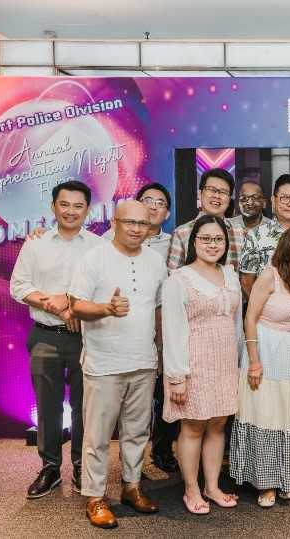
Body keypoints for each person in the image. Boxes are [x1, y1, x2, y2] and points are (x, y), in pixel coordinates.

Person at [67, 201, 167, 528]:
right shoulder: (94, 258)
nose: (137, 229)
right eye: (129, 222)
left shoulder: (155, 261)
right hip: (104, 363)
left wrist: (160, 351)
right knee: (97, 435)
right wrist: (106, 309)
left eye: (143, 223)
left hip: (143, 361)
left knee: (137, 431)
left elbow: (158, 309)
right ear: (114, 222)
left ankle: (132, 487)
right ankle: (95, 497)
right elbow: (76, 305)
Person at [10, 181, 101, 499]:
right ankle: (50, 468)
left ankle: (80, 465)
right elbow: (18, 285)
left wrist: (72, 304)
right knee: (47, 407)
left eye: (78, 206)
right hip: (45, 336)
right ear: (53, 207)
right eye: (64, 204)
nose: (71, 211)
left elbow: (103, 289)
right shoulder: (36, 244)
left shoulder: (98, 247)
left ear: (88, 210)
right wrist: (54, 305)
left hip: (86, 339)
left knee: (85, 406)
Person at [161, 215, 242, 514]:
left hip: (225, 363)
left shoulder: (230, 275)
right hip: (193, 364)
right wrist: (176, 376)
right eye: (206, 238)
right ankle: (191, 489)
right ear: (194, 241)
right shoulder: (179, 279)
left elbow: (236, 324)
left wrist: (238, 364)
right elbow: (172, 331)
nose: (212, 244)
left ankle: (212, 486)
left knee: (218, 425)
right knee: (193, 426)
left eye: (218, 239)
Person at [230, 227, 290, 508]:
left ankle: (287, 477)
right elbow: (250, 318)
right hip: (265, 350)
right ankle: (265, 482)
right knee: (267, 413)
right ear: (287, 251)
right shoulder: (270, 275)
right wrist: (254, 361)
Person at [106, 182, 179, 474]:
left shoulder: (174, 243)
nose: (153, 206)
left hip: (160, 330)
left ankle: (161, 449)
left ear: (167, 213)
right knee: (124, 404)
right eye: (147, 200)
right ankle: (125, 465)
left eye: (160, 203)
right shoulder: (108, 240)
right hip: (117, 334)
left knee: (162, 395)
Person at [239, 173, 290, 296]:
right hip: (267, 305)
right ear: (273, 200)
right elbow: (246, 281)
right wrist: (263, 306)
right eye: (285, 198)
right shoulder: (256, 235)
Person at [167, 168, 245, 271]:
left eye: (223, 192)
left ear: (229, 200)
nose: (217, 196)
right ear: (199, 194)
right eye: (212, 190)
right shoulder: (181, 233)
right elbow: (173, 275)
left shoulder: (240, 232)